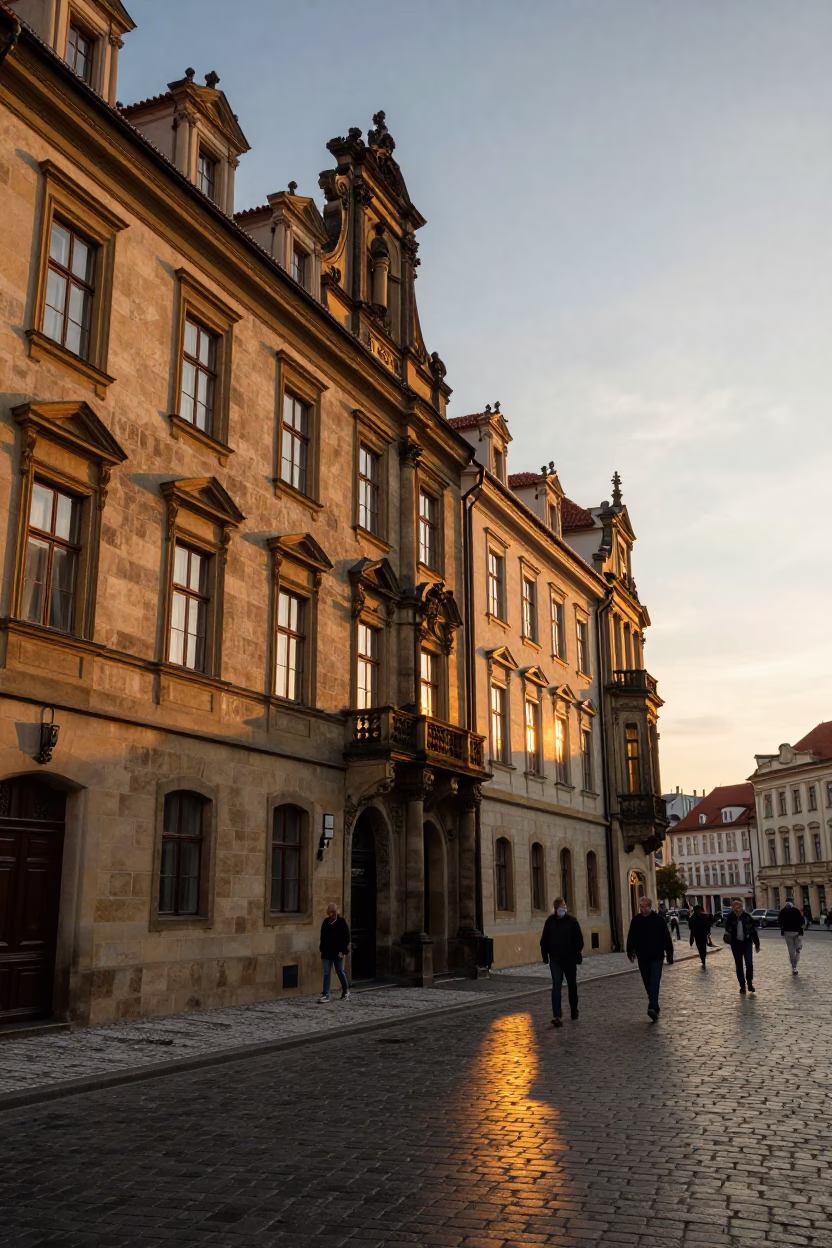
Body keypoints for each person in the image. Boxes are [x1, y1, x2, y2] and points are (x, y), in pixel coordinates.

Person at [626, 895, 674, 1023]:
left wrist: (669, 954)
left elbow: (666, 938)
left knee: (655, 981)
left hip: (657, 956)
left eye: (644, 906)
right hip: (643, 956)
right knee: (647, 982)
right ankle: (655, 1004)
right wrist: (630, 951)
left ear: (650, 906)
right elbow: (631, 936)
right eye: (640, 906)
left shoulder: (659, 920)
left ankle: (651, 1006)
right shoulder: (636, 920)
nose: (642, 909)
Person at [540, 896, 584, 1027]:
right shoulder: (550, 921)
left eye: (564, 906)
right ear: (555, 909)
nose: (562, 908)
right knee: (556, 986)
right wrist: (545, 955)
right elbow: (544, 940)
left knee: (572, 985)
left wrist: (576, 952)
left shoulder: (572, 921)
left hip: (569, 959)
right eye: (560, 906)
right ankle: (557, 1015)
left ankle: (574, 1009)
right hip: (555, 959)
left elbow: (579, 940)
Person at [724, 897, 760, 993]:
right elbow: (727, 928)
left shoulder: (747, 916)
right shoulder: (730, 917)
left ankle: (749, 983)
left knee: (749, 964)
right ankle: (742, 985)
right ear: (734, 908)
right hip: (736, 944)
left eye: (741, 906)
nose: (741, 908)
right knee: (738, 965)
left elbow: (753, 930)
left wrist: (757, 943)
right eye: (738, 906)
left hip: (747, 943)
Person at [318, 902, 351, 1002]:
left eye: (333, 912)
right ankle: (326, 994)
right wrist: (322, 949)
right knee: (327, 973)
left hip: (338, 952)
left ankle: (345, 991)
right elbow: (322, 937)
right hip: (327, 952)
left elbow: (346, 938)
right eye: (330, 912)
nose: (332, 914)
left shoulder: (341, 922)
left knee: (339, 971)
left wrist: (343, 950)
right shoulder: (326, 922)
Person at [779, 898, 805, 974]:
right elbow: (801, 921)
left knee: (792, 951)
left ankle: (794, 967)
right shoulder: (795, 911)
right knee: (795, 951)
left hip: (790, 933)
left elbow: (780, 922)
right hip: (795, 933)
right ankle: (794, 967)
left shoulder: (783, 911)